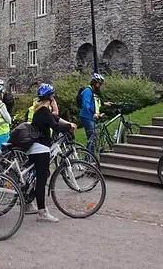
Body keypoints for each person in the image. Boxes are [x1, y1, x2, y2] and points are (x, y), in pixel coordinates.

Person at [28, 83, 76, 222]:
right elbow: (54, 125)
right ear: (50, 96)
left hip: (36, 147)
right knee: (41, 181)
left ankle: (27, 201)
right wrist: (68, 128)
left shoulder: (41, 109)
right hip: (40, 148)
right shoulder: (43, 111)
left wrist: (69, 124)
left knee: (36, 177)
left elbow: (56, 119)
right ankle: (42, 213)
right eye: (53, 95)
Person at [79, 73, 105, 154]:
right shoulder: (88, 91)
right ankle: (89, 158)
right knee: (92, 138)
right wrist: (93, 113)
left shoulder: (93, 92)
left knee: (93, 138)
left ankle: (90, 157)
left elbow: (96, 103)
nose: (100, 85)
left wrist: (105, 103)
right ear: (94, 82)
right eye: (99, 83)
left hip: (91, 117)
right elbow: (86, 104)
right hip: (87, 117)